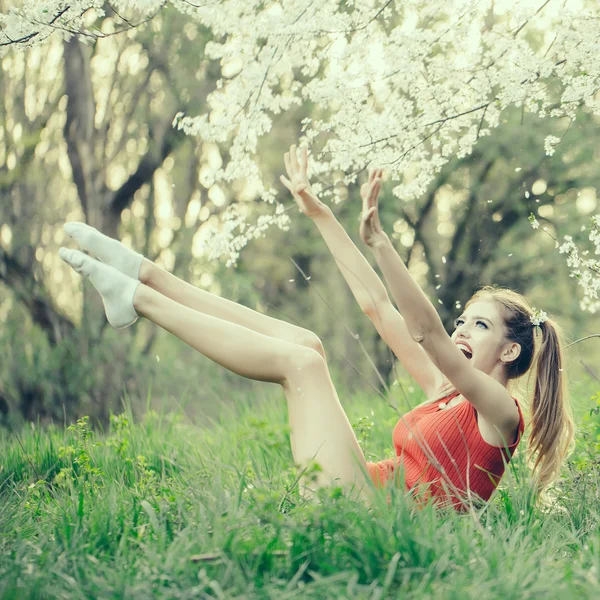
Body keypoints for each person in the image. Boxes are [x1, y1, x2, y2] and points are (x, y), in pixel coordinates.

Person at [58, 144, 575, 512]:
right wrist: (321, 212)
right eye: (462, 318)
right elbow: (376, 304)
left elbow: (428, 334)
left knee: (300, 364)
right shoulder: (445, 393)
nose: (461, 328)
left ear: (509, 351)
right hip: (358, 492)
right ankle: (146, 274)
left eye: (478, 325)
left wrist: (382, 245)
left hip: (363, 514)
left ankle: (139, 300)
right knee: (308, 344)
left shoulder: (501, 413)